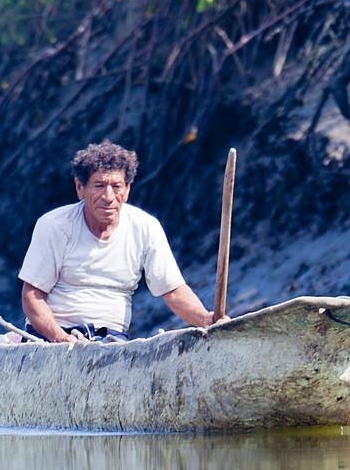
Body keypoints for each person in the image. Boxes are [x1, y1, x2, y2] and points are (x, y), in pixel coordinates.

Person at [18, 141, 218, 343]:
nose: (108, 197)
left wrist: (207, 320)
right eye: (99, 186)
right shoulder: (55, 225)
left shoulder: (145, 227)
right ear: (80, 188)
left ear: (128, 189)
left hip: (111, 341)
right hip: (51, 338)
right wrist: (60, 338)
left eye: (116, 186)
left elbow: (173, 291)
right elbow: (32, 295)